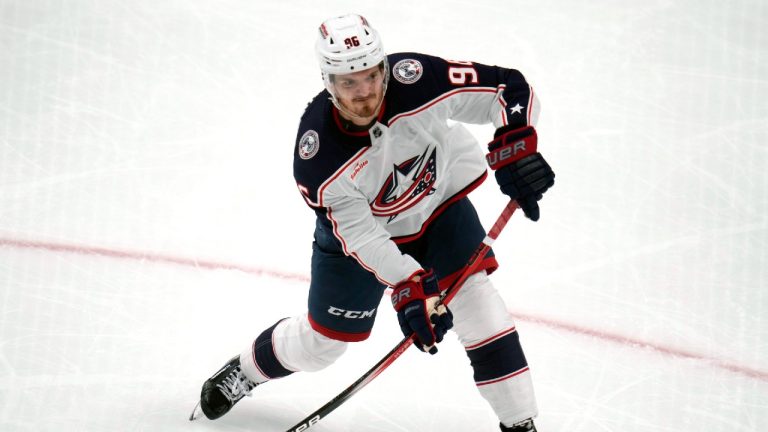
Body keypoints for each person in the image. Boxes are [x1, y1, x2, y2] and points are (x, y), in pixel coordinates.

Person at [195, 13, 554, 432]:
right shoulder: (318, 157)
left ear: (384, 67)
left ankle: (519, 424)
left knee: (479, 306)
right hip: (362, 243)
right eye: (349, 83)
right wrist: (408, 282)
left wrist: (515, 143)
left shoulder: (417, 78)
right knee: (322, 346)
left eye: (370, 76)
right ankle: (247, 370)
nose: (364, 94)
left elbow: (506, 87)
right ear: (329, 83)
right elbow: (363, 235)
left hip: (437, 211)